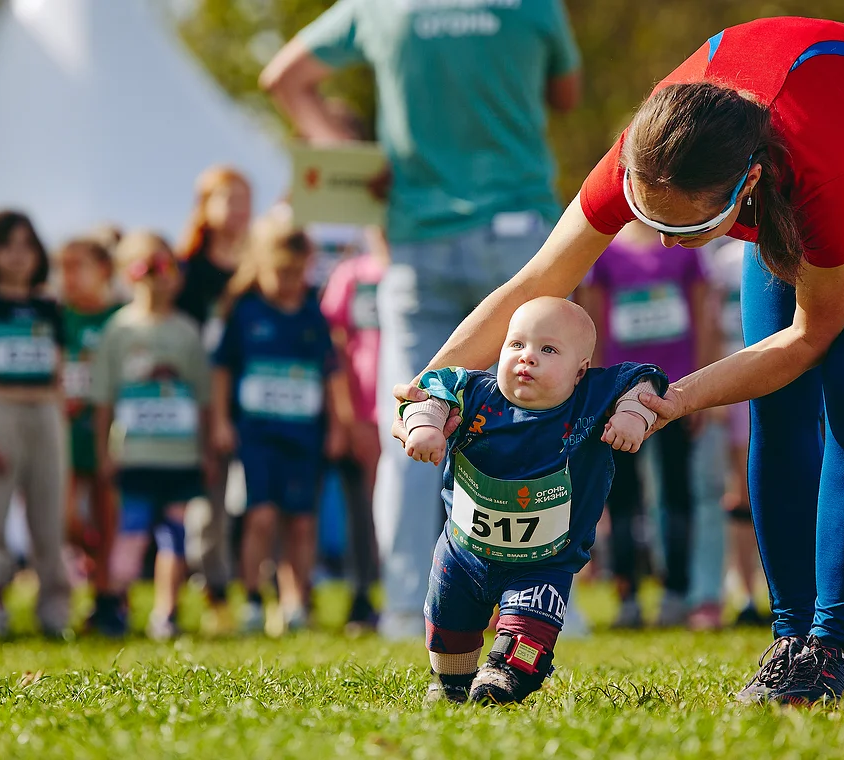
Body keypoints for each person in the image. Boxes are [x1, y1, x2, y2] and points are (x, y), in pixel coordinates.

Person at [393, 19, 844, 706]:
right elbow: (537, 280)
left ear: (749, 184)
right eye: (648, 219)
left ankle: (828, 650)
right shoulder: (653, 147)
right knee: (774, 408)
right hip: (786, 136)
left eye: (688, 230)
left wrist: (675, 398)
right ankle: (788, 642)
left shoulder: (817, 178)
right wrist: (431, 386)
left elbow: (810, 339)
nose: (665, 245)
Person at [262, 0, 582, 640]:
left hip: (416, 240)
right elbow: (566, 94)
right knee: (541, 412)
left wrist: (344, 151)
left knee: (413, 417)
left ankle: (409, 605)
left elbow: (282, 78)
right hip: (519, 231)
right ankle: (547, 606)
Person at [401, 297, 665, 704]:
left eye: (548, 349)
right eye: (516, 344)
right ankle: (451, 686)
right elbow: (432, 388)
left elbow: (646, 378)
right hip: (463, 553)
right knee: (446, 628)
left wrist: (632, 413)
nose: (528, 358)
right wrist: (426, 424)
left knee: (526, 643)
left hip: (544, 562)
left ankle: (502, 680)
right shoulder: (473, 392)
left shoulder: (593, 399)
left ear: (580, 371)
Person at [577, 220, 714, 629]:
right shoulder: (604, 252)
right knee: (621, 499)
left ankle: (676, 594)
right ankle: (628, 598)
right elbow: (591, 326)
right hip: (617, 396)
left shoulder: (685, 244)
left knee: (676, 493)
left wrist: (702, 390)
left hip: (675, 391)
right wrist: (597, 393)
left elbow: (703, 315)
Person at [211, 214, 344, 634]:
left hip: (304, 436)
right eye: (280, 272)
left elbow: (331, 373)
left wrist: (339, 426)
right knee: (261, 517)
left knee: (301, 521)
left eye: (296, 272)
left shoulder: (312, 316)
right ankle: (251, 597)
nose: (288, 280)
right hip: (257, 435)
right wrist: (219, 421)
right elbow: (222, 370)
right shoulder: (245, 313)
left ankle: (295, 602)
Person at [0, 211, 70, 637]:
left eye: (28, 245)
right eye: (8, 245)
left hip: (44, 411)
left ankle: (54, 608)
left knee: (48, 510)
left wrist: (56, 416)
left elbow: (59, 371)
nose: (19, 255)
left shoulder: (48, 306)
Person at [91, 231, 210, 640]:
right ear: (128, 274)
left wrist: (206, 451)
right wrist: (104, 450)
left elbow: (203, 397)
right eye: (147, 268)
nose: (157, 278)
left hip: (179, 454)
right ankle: (116, 603)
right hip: (135, 453)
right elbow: (103, 399)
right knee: (134, 529)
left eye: (165, 267)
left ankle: (167, 611)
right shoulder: (118, 329)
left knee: (174, 534)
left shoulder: (187, 332)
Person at [176, 166, 252, 618]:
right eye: (228, 198)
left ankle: (253, 585)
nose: (238, 209)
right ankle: (210, 581)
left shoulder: (256, 268)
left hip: (251, 397)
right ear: (204, 206)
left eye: (245, 199)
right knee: (209, 492)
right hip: (202, 395)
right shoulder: (188, 271)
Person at [700, 238, 768, 627]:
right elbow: (710, 326)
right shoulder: (722, 262)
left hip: (772, 375)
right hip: (731, 384)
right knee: (738, 491)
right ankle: (743, 591)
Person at [320, 235, 386, 631]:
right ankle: (362, 596)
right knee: (363, 511)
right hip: (361, 415)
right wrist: (347, 418)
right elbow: (336, 349)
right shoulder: (351, 275)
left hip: (423, 413)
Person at [56, 237, 121, 631]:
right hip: (64, 434)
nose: (69, 276)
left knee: (107, 512)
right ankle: (91, 558)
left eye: (78, 265)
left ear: (104, 270)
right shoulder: (57, 316)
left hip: (109, 434)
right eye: (63, 266)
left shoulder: (121, 317)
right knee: (65, 520)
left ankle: (106, 599)